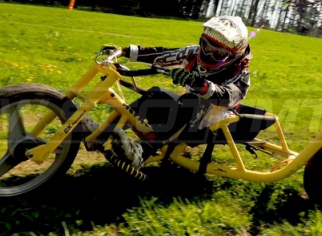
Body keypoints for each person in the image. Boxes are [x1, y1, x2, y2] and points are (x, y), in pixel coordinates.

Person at [101, 16, 252, 170]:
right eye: (207, 47)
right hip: (192, 109)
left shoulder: (241, 73)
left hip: (217, 118)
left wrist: (198, 83)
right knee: (155, 94)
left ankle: (143, 152)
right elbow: (162, 55)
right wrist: (124, 51)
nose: (209, 55)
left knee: (191, 101)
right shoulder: (194, 53)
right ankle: (104, 133)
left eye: (218, 53)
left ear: (233, 55)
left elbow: (227, 97)